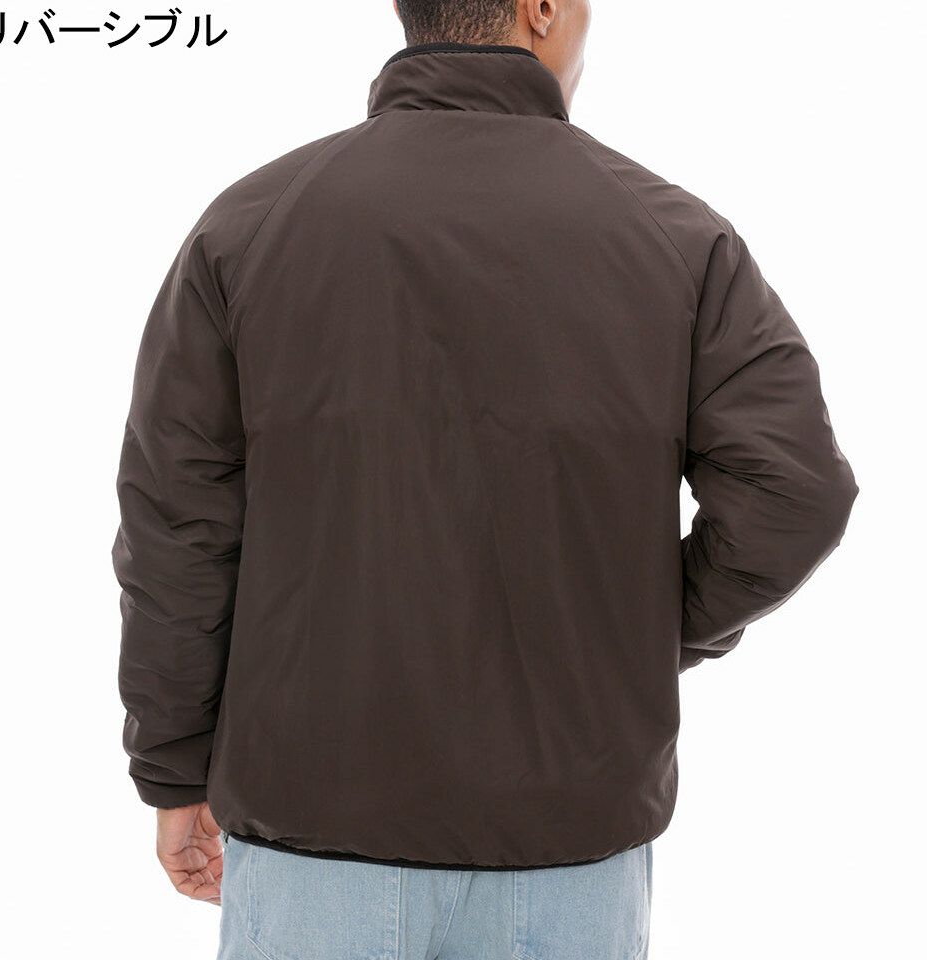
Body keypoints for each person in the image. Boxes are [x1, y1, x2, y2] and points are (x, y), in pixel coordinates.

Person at [112, 1, 857, 956]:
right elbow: (797, 492)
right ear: (541, 8)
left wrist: (174, 767)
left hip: (314, 836)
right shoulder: (677, 239)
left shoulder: (250, 226)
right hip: (568, 846)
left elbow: (177, 528)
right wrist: (628, 635)